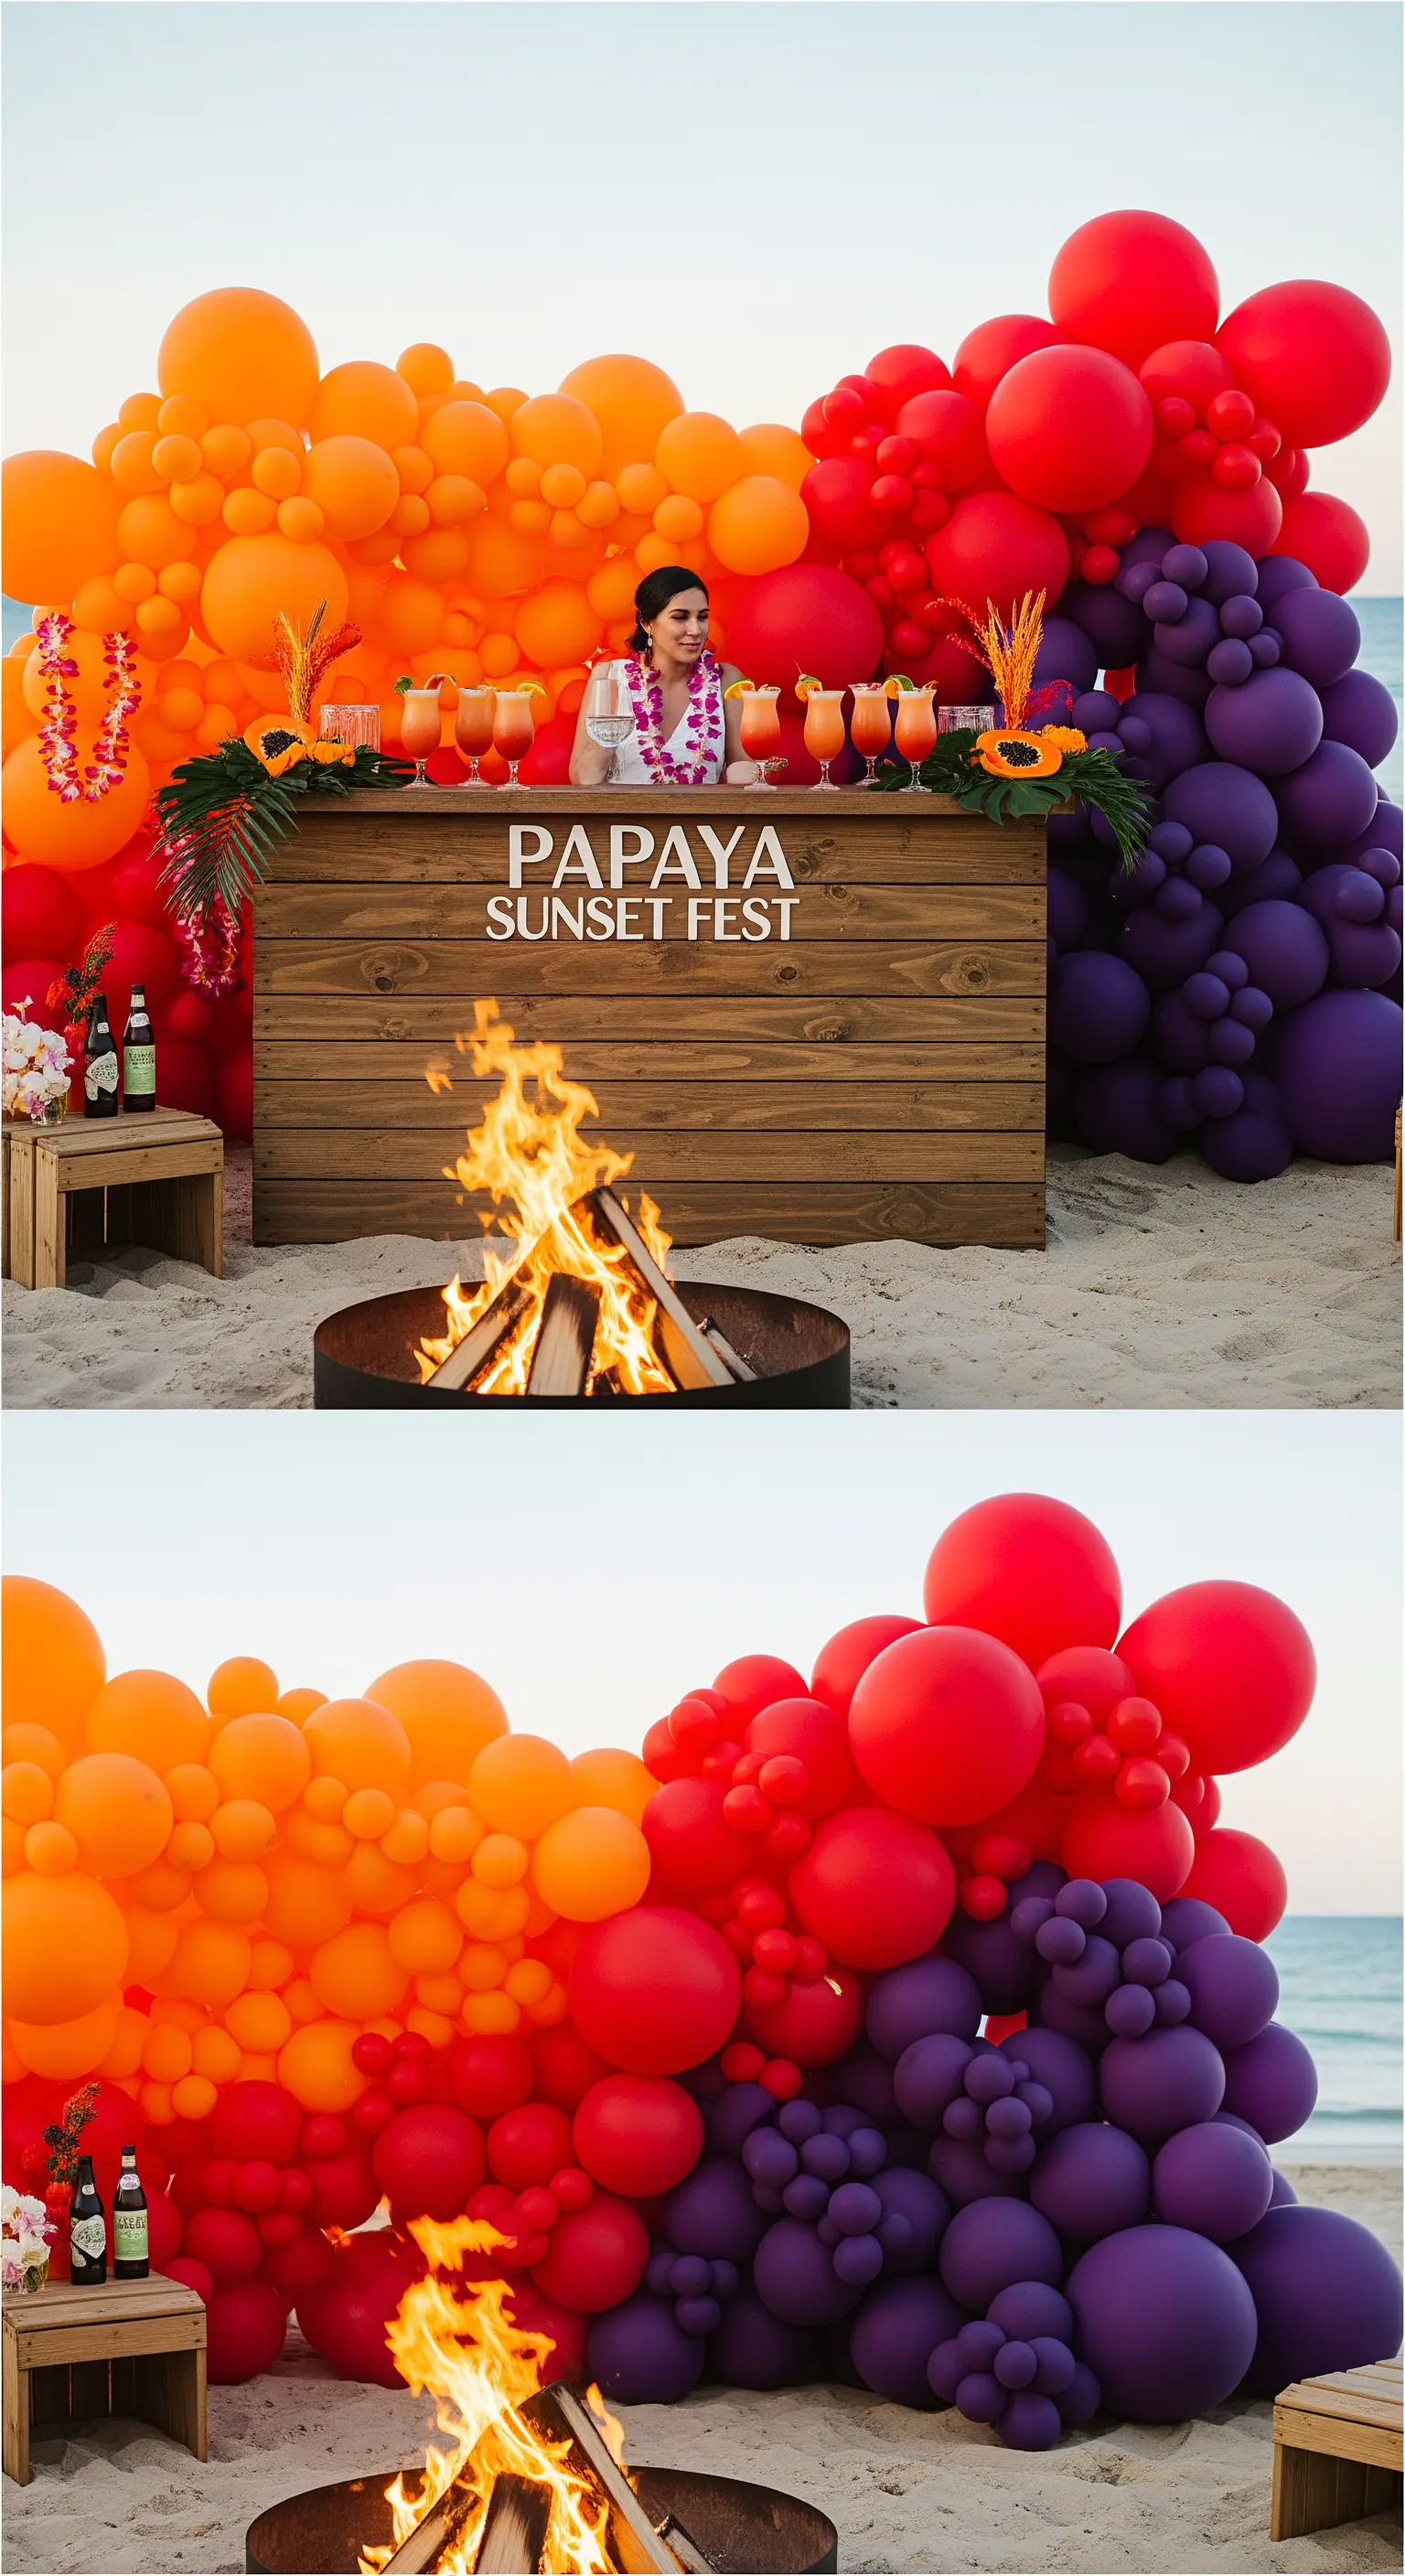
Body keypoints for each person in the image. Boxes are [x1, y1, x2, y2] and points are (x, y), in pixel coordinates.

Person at [569, 565, 759, 786]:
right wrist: (608, 736)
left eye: (702, 617)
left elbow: (745, 772)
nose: (695, 630)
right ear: (647, 623)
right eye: (680, 617)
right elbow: (581, 778)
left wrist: (759, 769)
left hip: (700, 820)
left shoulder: (727, 680)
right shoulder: (610, 678)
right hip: (622, 819)